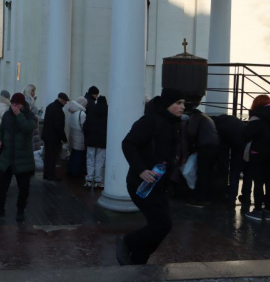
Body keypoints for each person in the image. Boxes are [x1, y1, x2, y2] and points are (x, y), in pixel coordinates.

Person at [117, 88, 185, 266]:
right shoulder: (150, 121)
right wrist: (141, 170)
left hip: (159, 185)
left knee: (162, 226)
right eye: (178, 103)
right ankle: (127, 242)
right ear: (167, 104)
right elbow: (128, 144)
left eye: (183, 103)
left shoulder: (175, 124)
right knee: (161, 225)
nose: (182, 107)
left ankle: (138, 260)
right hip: (141, 184)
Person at [0, 93, 38, 222]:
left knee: (24, 188)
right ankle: (0, 209)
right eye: (13, 104)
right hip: (7, 157)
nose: (15, 107)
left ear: (23, 104)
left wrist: (19, 115)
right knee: (1, 185)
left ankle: (20, 210)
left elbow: (27, 128)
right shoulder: (7, 115)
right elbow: (1, 129)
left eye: (18, 104)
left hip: (23, 159)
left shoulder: (29, 116)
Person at [242, 95, 270, 222]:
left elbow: (245, 136)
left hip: (258, 155)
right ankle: (268, 212)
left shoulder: (256, 119)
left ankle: (257, 211)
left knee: (259, 183)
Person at [186, 108, 221, 207]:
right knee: (209, 173)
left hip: (205, 147)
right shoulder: (206, 117)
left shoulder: (195, 117)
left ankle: (199, 199)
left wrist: (191, 145)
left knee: (202, 173)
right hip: (215, 147)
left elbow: (191, 133)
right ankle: (208, 197)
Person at [212, 114, 248, 208]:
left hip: (237, 151)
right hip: (249, 149)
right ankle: (246, 197)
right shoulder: (234, 120)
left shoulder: (220, 126)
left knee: (234, 174)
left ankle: (232, 198)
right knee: (248, 175)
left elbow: (222, 145)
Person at [41, 93, 69, 181]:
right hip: (54, 138)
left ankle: (46, 174)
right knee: (53, 157)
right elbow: (59, 127)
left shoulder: (50, 106)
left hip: (47, 136)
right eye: (65, 102)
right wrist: (64, 138)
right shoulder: (58, 111)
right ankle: (51, 175)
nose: (65, 104)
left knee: (47, 156)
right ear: (62, 100)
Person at [84, 96, 108, 188]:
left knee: (90, 159)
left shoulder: (92, 111)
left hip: (91, 139)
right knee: (100, 160)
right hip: (102, 140)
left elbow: (86, 126)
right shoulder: (108, 112)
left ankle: (89, 179)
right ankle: (98, 180)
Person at [65, 97, 88, 177]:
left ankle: (70, 170)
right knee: (78, 155)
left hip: (72, 136)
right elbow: (83, 126)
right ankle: (76, 172)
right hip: (79, 137)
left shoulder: (72, 112)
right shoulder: (82, 114)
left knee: (73, 154)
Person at [24, 84, 42, 151]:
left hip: (34, 122)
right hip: (30, 123)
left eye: (34, 91)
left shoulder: (32, 100)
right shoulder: (27, 101)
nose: (34, 93)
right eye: (32, 91)